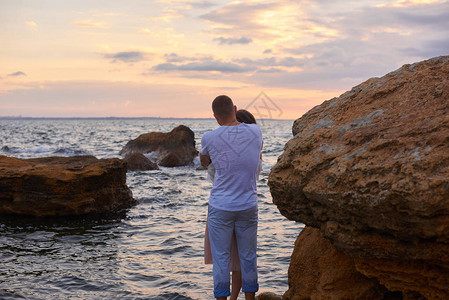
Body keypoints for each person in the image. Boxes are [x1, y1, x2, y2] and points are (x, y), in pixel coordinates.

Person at [201, 96, 263, 300]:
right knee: (248, 257)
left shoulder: (209, 137)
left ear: (216, 117)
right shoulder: (256, 131)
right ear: (235, 109)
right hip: (248, 205)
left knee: (221, 260)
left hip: (221, 207)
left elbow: (204, 162)